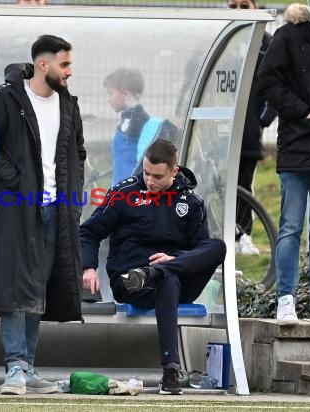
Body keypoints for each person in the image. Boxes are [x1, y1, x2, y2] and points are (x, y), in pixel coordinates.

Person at [80, 139, 226, 395]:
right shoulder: (125, 193)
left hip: (179, 277)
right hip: (131, 280)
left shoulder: (191, 202)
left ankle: (159, 270)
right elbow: (88, 233)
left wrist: (173, 259)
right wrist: (88, 267)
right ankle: (171, 370)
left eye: (157, 176)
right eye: (146, 173)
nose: (149, 180)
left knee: (218, 247)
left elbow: (202, 250)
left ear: (174, 171)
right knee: (167, 281)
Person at [0, 34, 85, 395]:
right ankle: (13, 367)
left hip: (57, 211)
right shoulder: (6, 98)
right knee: (16, 285)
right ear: (43, 65)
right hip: (16, 208)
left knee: (38, 287)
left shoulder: (68, 104)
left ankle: (28, 367)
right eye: (65, 64)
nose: (70, 72)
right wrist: (17, 181)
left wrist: (73, 196)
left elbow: (79, 152)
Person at [256, 2, 310, 324]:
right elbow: (267, 81)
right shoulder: (290, 35)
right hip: (299, 143)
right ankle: (286, 298)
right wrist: (301, 111)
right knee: (291, 227)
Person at [227, 0, 277, 256]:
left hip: (247, 134)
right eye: (233, 6)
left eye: (244, 5)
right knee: (217, 186)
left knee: (244, 186)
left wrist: (261, 121)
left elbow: (277, 85)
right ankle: (222, 235)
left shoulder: (267, 45)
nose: (239, 12)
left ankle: (243, 235)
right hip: (219, 134)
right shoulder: (222, 39)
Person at [104, 67, 179, 185]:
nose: (109, 100)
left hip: (131, 195)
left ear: (125, 94)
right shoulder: (127, 121)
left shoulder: (140, 124)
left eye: (111, 94)